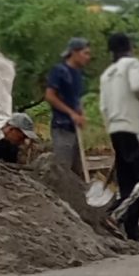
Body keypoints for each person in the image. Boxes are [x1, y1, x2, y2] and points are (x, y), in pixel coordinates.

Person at [99, 30, 139, 241]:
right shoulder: (131, 64)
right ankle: (115, 214)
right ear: (129, 46)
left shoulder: (107, 74)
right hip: (132, 128)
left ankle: (132, 230)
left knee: (127, 181)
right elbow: (138, 86)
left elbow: (104, 107)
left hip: (115, 129)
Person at [45, 38, 93, 175]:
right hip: (62, 126)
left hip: (74, 129)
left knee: (78, 171)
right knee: (62, 170)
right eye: (85, 53)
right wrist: (71, 114)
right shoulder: (59, 71)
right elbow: (50, 96)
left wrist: (81, 114)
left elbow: (76, 99)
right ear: (74, 53)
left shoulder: (78, 75)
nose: (88, 58)